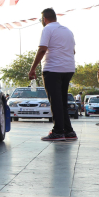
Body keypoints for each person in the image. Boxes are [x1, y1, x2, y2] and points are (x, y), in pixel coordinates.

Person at [28, 8, 77, 141]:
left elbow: (42, 49)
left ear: (44, 19)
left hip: (53, 69)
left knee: (55, 101)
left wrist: (32, 69)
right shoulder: (67, 30)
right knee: (62, 101)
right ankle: (68, 131)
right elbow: (73, 51)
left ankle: (58, 132)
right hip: (68, 69)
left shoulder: (47, 29)